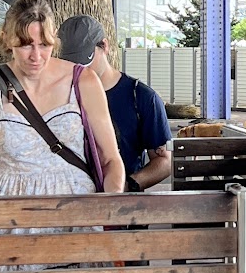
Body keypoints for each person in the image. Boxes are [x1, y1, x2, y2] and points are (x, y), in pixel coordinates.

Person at [0, 0, 125, 198]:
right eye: (25, 45)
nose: (36, 56)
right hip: (10, 214)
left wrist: (111, 206)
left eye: (44, 44)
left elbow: (111, 159)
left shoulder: (83, 81)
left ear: (54, 38)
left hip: (77, 211)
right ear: (7, 39)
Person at [58, 15, 174, 192]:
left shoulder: (141, 97)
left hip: (121, 206)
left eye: (86, 61)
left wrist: (127, 185)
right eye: (72, 65)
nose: (81, 71)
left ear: (105, 46)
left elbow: (165, 161)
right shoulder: (58, 96)